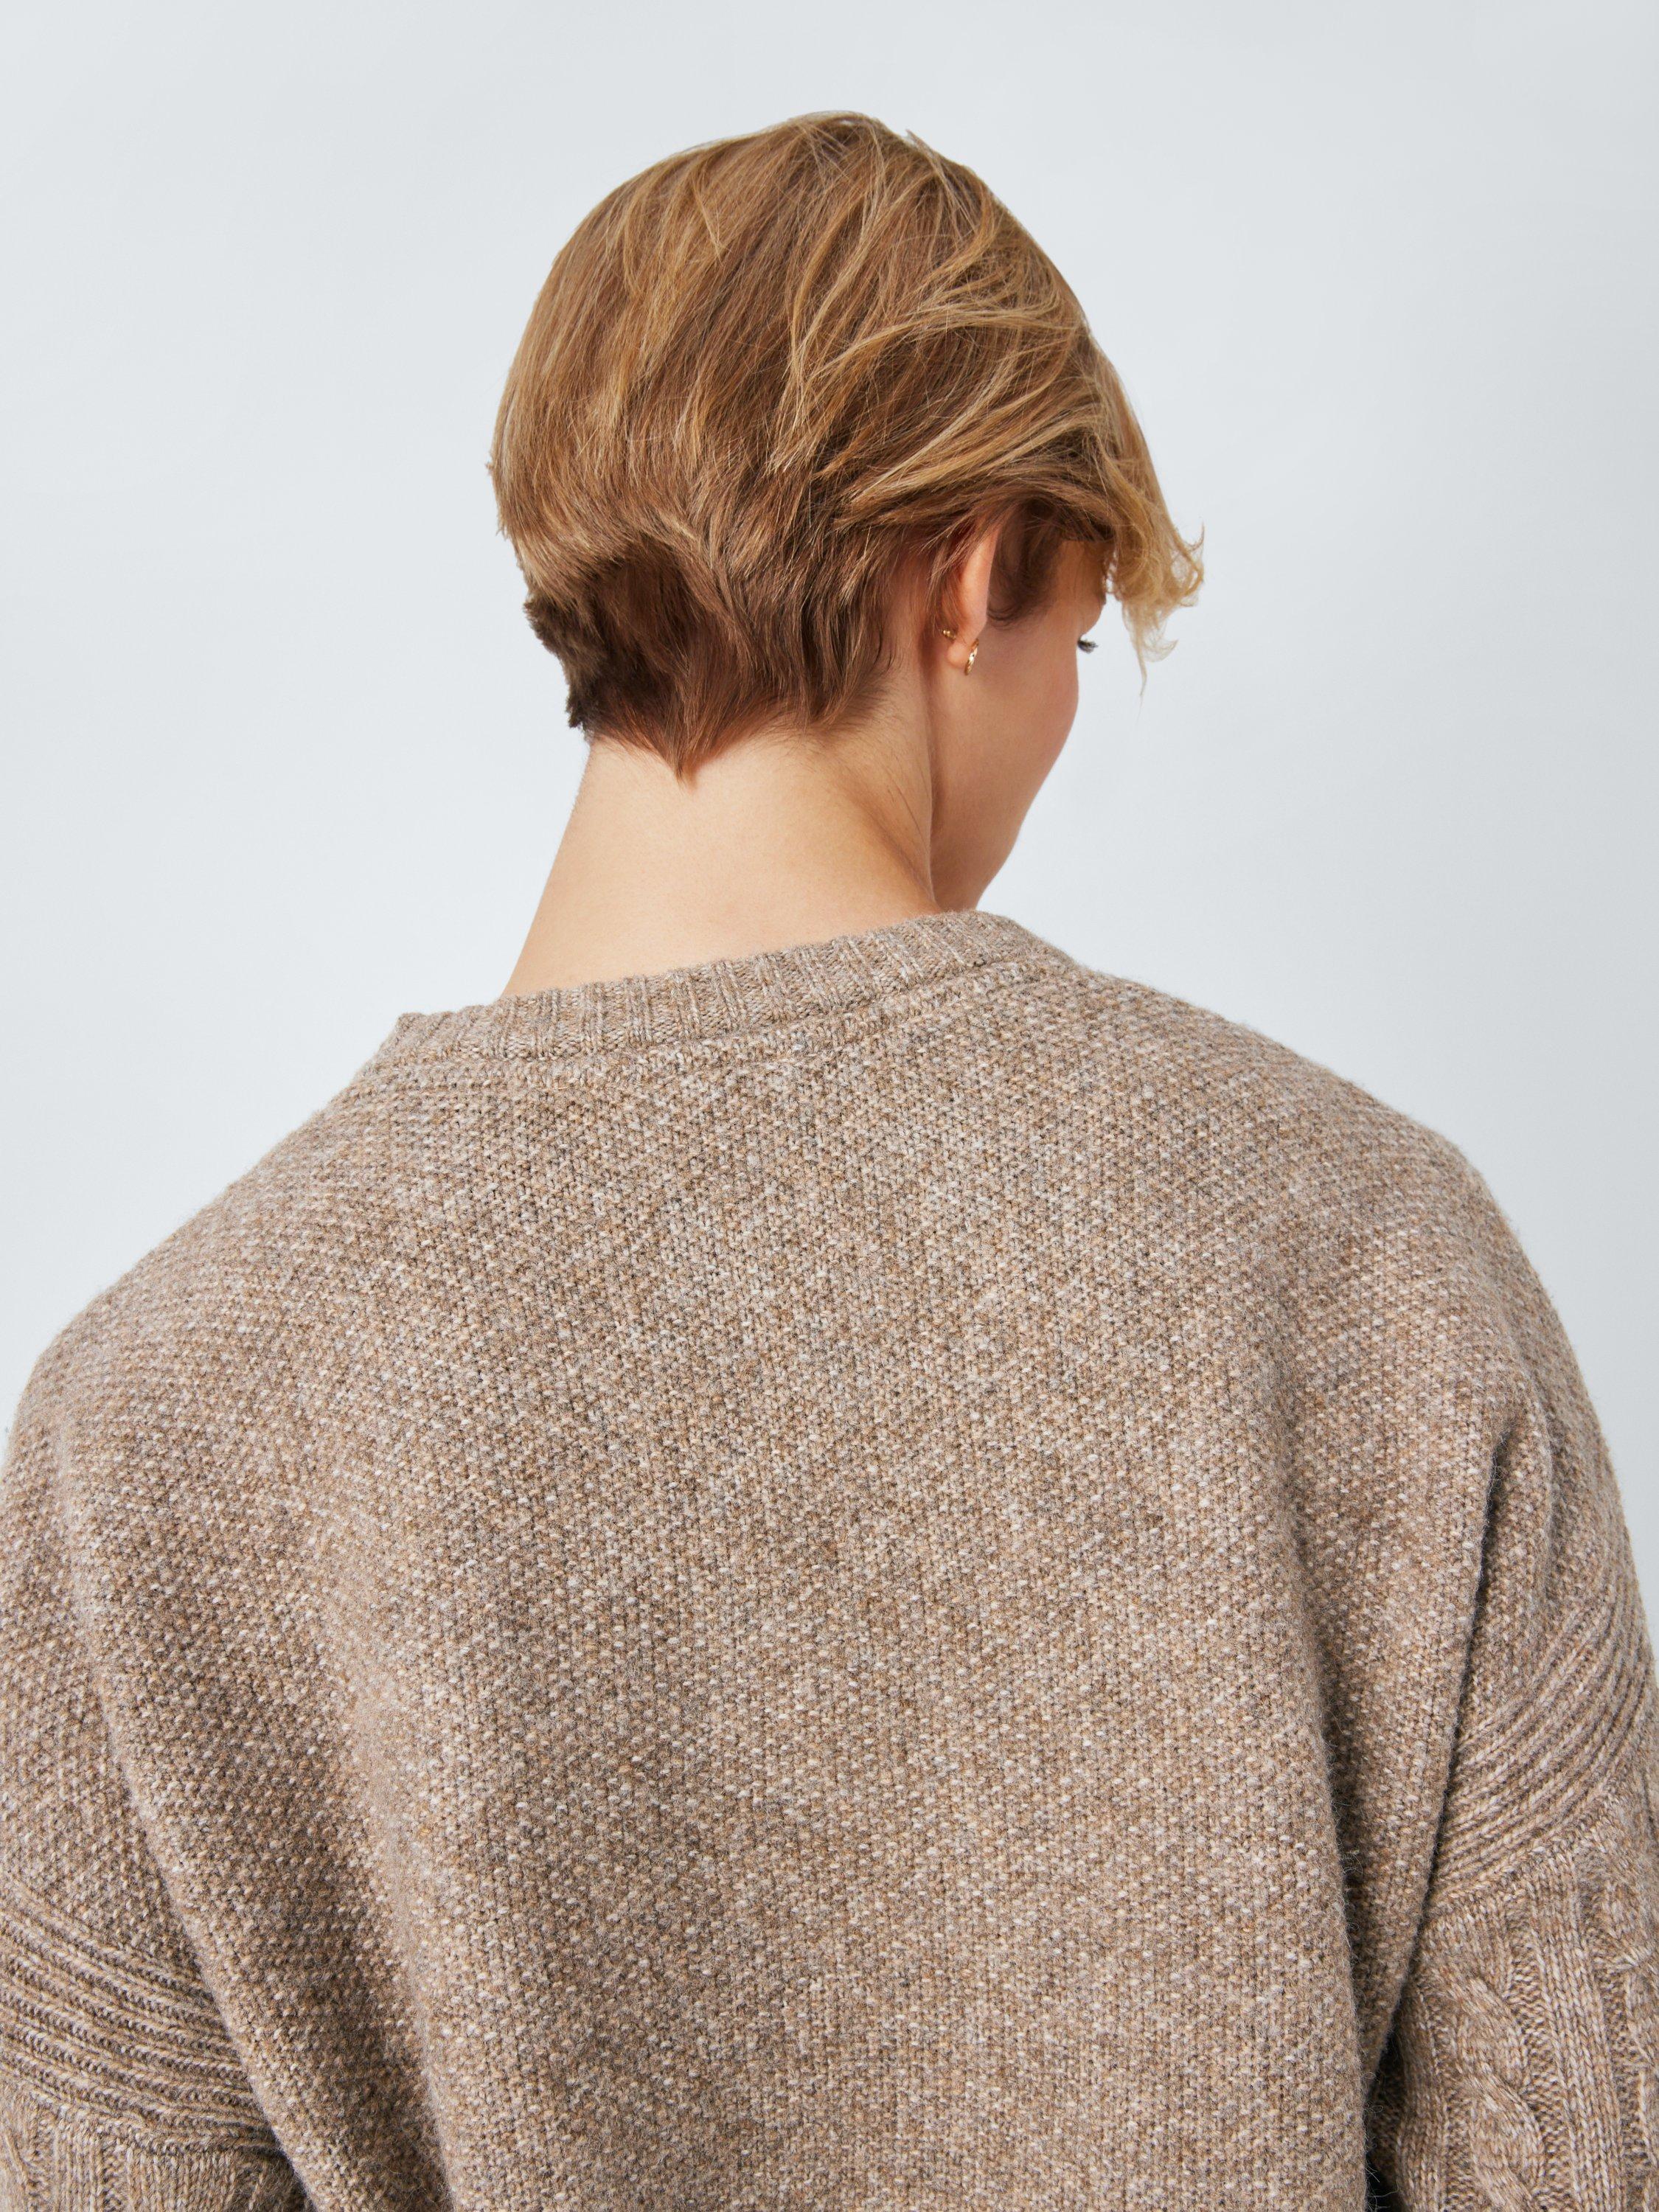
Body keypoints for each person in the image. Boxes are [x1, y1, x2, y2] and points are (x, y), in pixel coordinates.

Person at [1, 109, 1653, 2212]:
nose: (1062, 717)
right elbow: (1576, 2153)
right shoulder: (1361, 1261)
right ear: (970, 574)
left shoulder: (149, 1424)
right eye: (1078, 636)